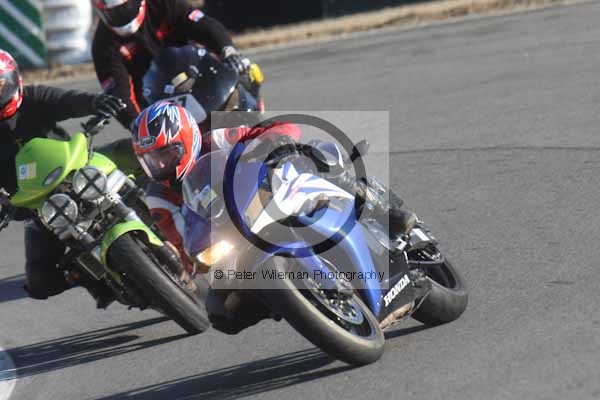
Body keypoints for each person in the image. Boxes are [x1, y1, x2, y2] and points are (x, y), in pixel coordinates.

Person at [0, 49, 125, 304]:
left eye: (0, 86)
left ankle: (166, 213)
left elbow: (66, 100)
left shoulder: (33, 98)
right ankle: (92, 277)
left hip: (76, 170)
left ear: (14, 79)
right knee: (39, 282)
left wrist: (97, 102)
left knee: (131, 153)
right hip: (38, 205)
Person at [92, 0, 249, 130]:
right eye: (113, 13)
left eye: (125, 8)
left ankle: (253, 124)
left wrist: (227, 49)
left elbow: (201, 24)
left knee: (241, 83)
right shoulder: (102, 46)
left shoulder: (163, 4)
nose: (121, 15)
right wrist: (135, 123)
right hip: (155, 103)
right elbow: (118, 92)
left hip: (195, 75)